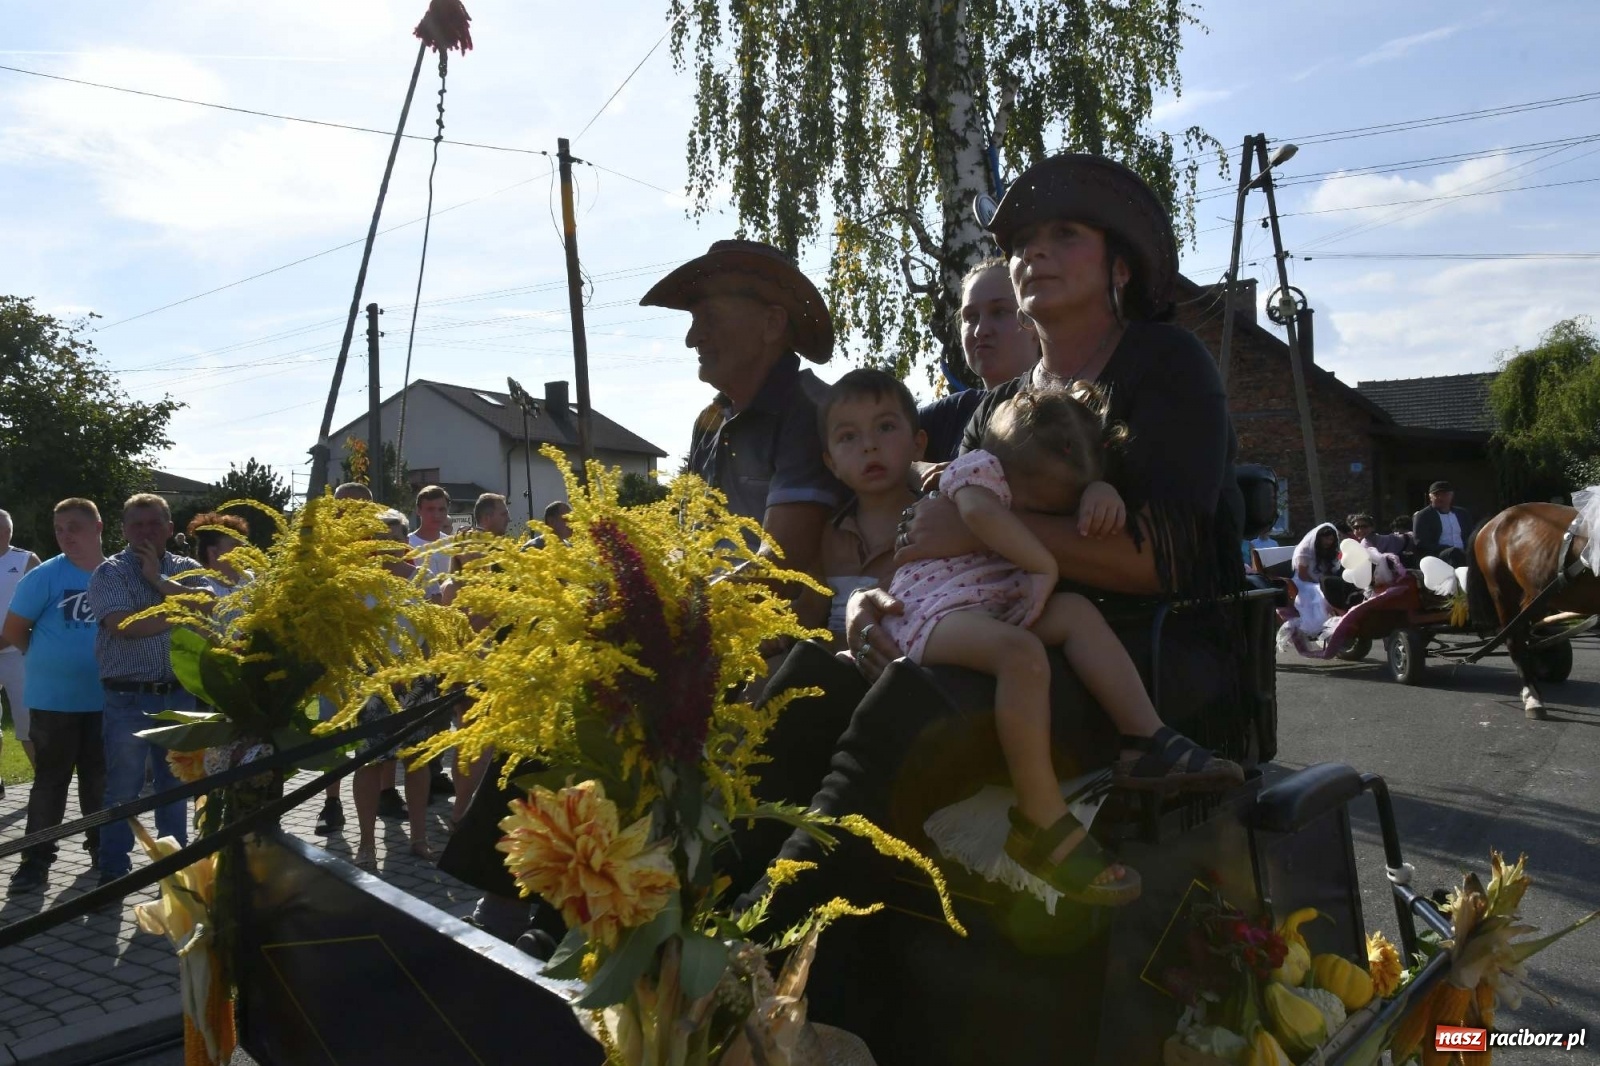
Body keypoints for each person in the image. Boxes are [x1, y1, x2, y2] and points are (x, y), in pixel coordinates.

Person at [745, 155, 1250, 1053]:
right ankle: (709, 894)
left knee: (911, 701)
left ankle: (766, 936)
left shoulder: (1169, 367)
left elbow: (1159, 559)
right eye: (1021, 243)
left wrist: (983, 537)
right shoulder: (1003, 404)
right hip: (1007, 625)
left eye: (1065, 236)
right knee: (810, 672)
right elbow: (927, 533)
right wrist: (867, 604)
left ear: (1120, 266)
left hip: (1133, 658)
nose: (1035, 256)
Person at [888, 383, 1242, 903]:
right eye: (1031, 505)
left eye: (1054, 510)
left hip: (988, 601)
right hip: (933, 610)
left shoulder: (1034, 474)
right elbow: (984, 517)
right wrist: (1043, 562)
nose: (1037, 518)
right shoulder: (978, 469)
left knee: (1076, 612)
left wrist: (1100, 493)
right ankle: (1039, 817)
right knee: (1021, 656)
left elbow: (1059, 505)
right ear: (1003, 467)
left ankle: (1144, 738)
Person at [641, 239, 844, 573]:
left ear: (771, 324)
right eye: (694, 321)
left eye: (711, 318)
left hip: (774, 622)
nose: (692, 338)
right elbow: (685, 544)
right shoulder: (708, 422)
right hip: (706, 617)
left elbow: (781, 568)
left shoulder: (812, 413)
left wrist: (681, 606)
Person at [87, 493, 202, 884]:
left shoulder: (188, 569)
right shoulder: (110, 573)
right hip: (127, 697)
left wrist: (158, 580)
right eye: (136, 524)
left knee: (174, 787)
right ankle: (114, 871)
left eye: (154, 523)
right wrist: (179, 610)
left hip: (178, 694)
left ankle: (174, 871)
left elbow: (207, 609)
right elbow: (126, 626)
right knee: (123, 789)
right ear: (123, 529)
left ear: (170, 528)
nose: (145, 531)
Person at [3, 500, 105, 892]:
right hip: (53, 701)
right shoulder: (43, 576)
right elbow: (14, 631)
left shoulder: (114, 574)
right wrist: (48, 658)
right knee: (50, 783)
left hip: (103, 699)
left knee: (99, 781)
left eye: (74, 527)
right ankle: (35, 862)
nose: (66, 536)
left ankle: (102, 850)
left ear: (97, 527)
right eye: (59, 528)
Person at [350, 510, 441, 871]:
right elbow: (352, 637)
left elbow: (434, 630)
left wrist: (419, 668)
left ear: (406, 542)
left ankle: (419, 838)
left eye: (397, 538)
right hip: (373, 682)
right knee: (371, 763)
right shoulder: (360, 584)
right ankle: (367, 844)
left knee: (417, 762)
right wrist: (384, 671)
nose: (391, 546)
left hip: (417, 681)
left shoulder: (423, 578)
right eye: (382, 540)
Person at [815, 369, 928, 649]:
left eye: (885, 427)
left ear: (918, 445)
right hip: (832, 671)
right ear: (832, 465)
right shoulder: (827, 535)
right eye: (848, 437)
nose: (869, 446)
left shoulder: (933, 526)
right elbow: (808, 615)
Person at [918, 258, 1042, 463]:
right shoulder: (952, 414)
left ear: (1035, 322)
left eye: (999, 312)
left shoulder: (1068, 407)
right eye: (971, 317)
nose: (981, 330)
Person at [0, 508, 43, 781]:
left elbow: (43, 606)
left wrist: (11, 636)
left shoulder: (27, 560)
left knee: (27, 722)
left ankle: (44, 783)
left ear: (8, 532)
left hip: (18, 653)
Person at [1413, 481, 1472, 565]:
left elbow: (1470, 535)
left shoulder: (1462, 514)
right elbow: (1421, 542)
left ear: (1451, 495)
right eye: (1436, 495)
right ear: (1430, 497)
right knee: (1454, 553)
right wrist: (1449, 549)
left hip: (1464, 553)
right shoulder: (1423, 516)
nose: (1440, 497)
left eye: (1444, 494)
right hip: (1438, 556)